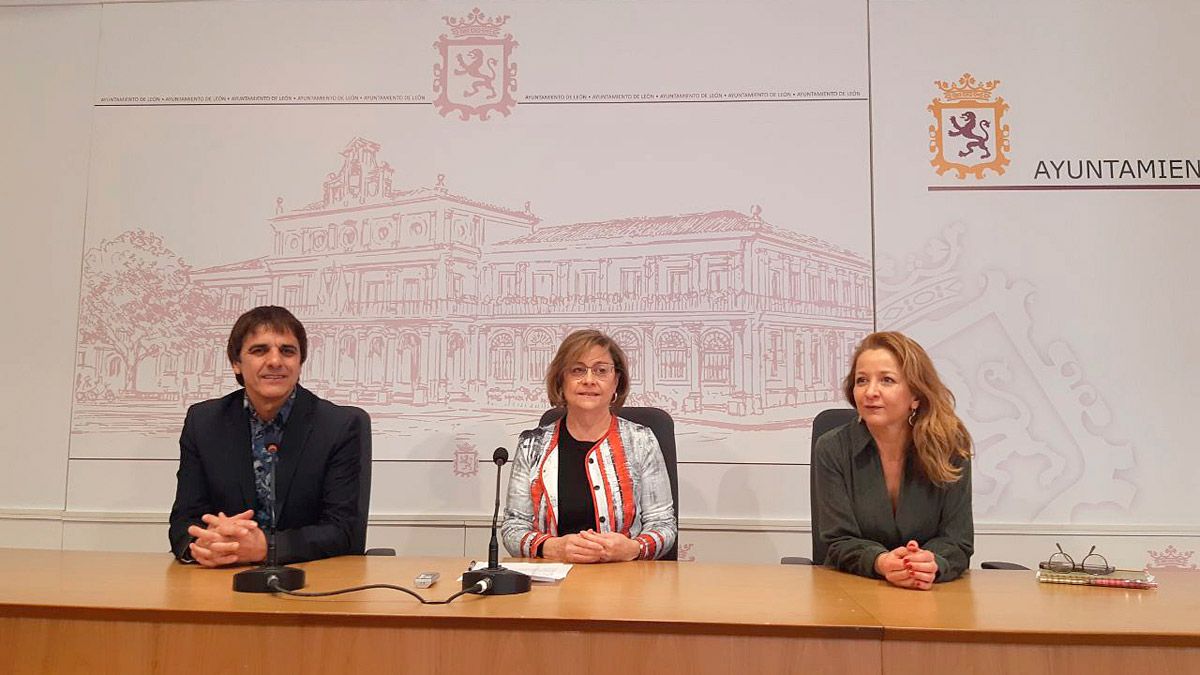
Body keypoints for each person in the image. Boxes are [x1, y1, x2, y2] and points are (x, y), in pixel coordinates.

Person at [167, 306, 365, 566]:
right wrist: (202, 543)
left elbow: (344, 532)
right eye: (259, 350)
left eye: (287, 351)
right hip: (222, 578)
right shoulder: (204, 422)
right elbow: (184, 521)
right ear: (236, 363)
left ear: (300, 363)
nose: (275, 361)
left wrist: (267, 548)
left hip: (311, 580)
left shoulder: (339, 425)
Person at [814, 331, 973, 588]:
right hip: (854, 592)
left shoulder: (950, 447)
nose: (870, 392)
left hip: (931, 592)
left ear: (916, 396)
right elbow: (837, 541)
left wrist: (929, 562)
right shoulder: (833, 448)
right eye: (862, 380)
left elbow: (958, 541)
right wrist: (881, 561)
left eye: (887, 380)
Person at [500, 329, 676, 562]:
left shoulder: (641, 440)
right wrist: (552, 547)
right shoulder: (532, 445)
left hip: (625, 581)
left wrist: (633, 548)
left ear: (616, 382)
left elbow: (663, 525)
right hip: (552, 583)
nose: (589, 380)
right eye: (577, 370)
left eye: (601, 371)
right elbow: (514, 527)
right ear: (561, 381)